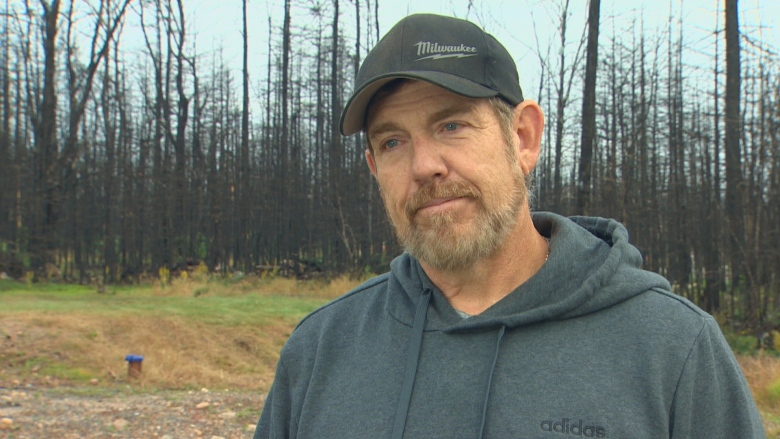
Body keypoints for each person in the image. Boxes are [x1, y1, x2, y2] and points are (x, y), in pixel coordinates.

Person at [254, 13, 765, 439]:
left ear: (522, 137)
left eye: (451, 125)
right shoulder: (321, 350)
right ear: (374, 168)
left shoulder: (671, 348)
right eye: (392, 142)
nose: (423, 165)